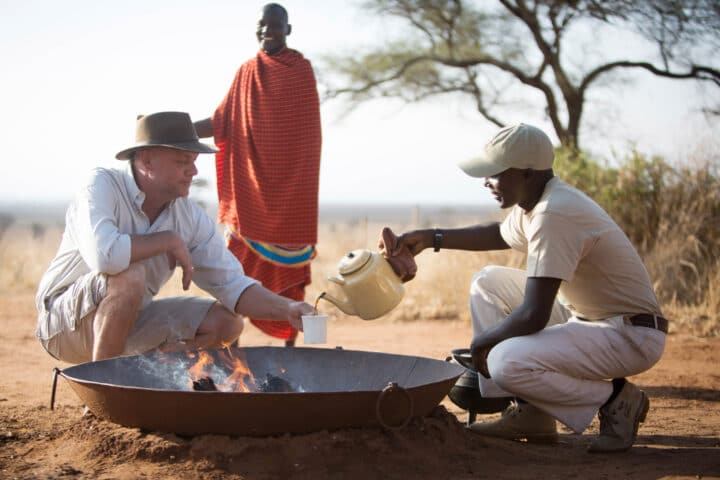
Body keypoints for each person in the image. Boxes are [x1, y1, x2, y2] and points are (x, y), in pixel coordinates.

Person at [381, 123, 667, 453]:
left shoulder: (553, 214)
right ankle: (532, 413)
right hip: (594, 320)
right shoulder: (536, 202)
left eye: (494, 173)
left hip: (629, 335)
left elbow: (534, 314)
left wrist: (482, 344)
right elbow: (496, 235)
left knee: (505, 362)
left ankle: (616, 399)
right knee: (488, 283)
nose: (486, 182)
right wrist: (430, 238)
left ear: (527, 172)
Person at [35, 111, 314, 364]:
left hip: (128, 324)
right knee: (128, 276)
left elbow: (233, 285)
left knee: (227, 324)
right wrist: (167, 240)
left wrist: (287, 308)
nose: (192, 171)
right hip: (63, 326)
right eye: (182, 161)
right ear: (147, 160)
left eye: (193, 162)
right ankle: (104, 388)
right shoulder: (101, 185)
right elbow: (105, 257)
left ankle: (148, 375)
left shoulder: (189, 217)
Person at [193, 3, 321, 347]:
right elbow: (222, 121)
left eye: (276, 25)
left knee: (289, 280)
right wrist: (179, 130)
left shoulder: (301, 71)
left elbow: (308, 140)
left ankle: (289, 352)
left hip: (291, 199)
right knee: (232, 273)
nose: (268, 31)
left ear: (288, 30)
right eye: (262, 25)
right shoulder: (246, 72)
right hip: (248, 198)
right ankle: (231, 346)